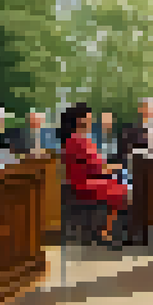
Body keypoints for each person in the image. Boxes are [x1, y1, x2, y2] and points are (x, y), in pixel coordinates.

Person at [61, 102, 129, 243]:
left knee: (117, 183)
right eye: (89, 118)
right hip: (84, 184)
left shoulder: (72, 139)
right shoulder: (81, 140)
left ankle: (101, 228)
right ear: (80, 120)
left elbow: (94, 165)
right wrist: (116, 167)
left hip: (79, 181)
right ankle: (104, 230)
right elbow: (97, 168)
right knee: (122, 189)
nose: (91, 121)